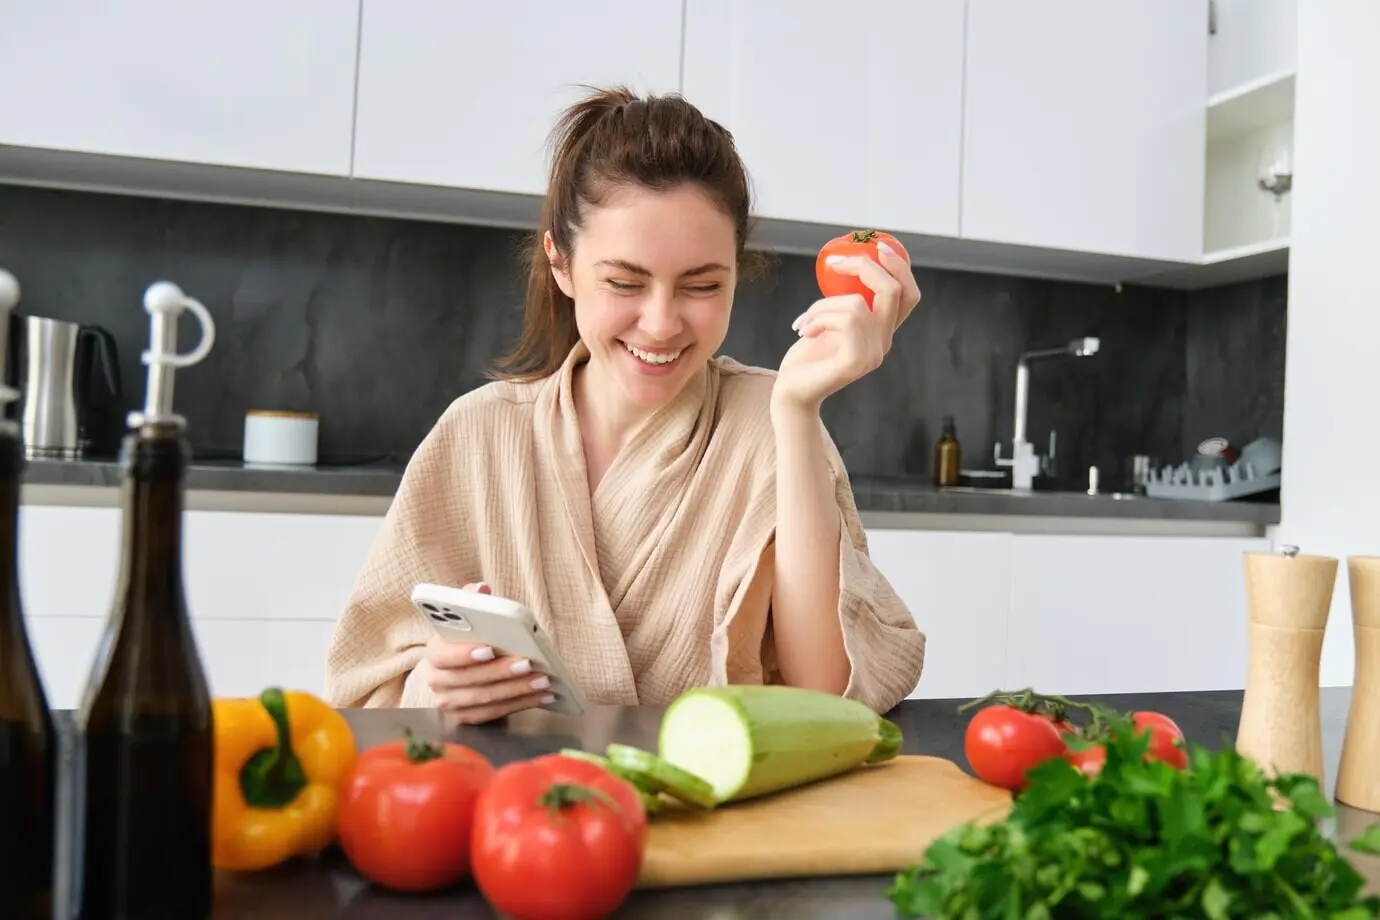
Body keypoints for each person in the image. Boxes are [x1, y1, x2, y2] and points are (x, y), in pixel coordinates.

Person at [323, 85, 926, 723]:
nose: (661, 323)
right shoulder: (478, 434)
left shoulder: (769, 420)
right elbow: (367, 692)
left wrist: (799, 412)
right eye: (624, 282)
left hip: (717, 812)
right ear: (560, 263)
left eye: (702, 285)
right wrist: (434, 685)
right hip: (527, 812)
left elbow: (826, 696)